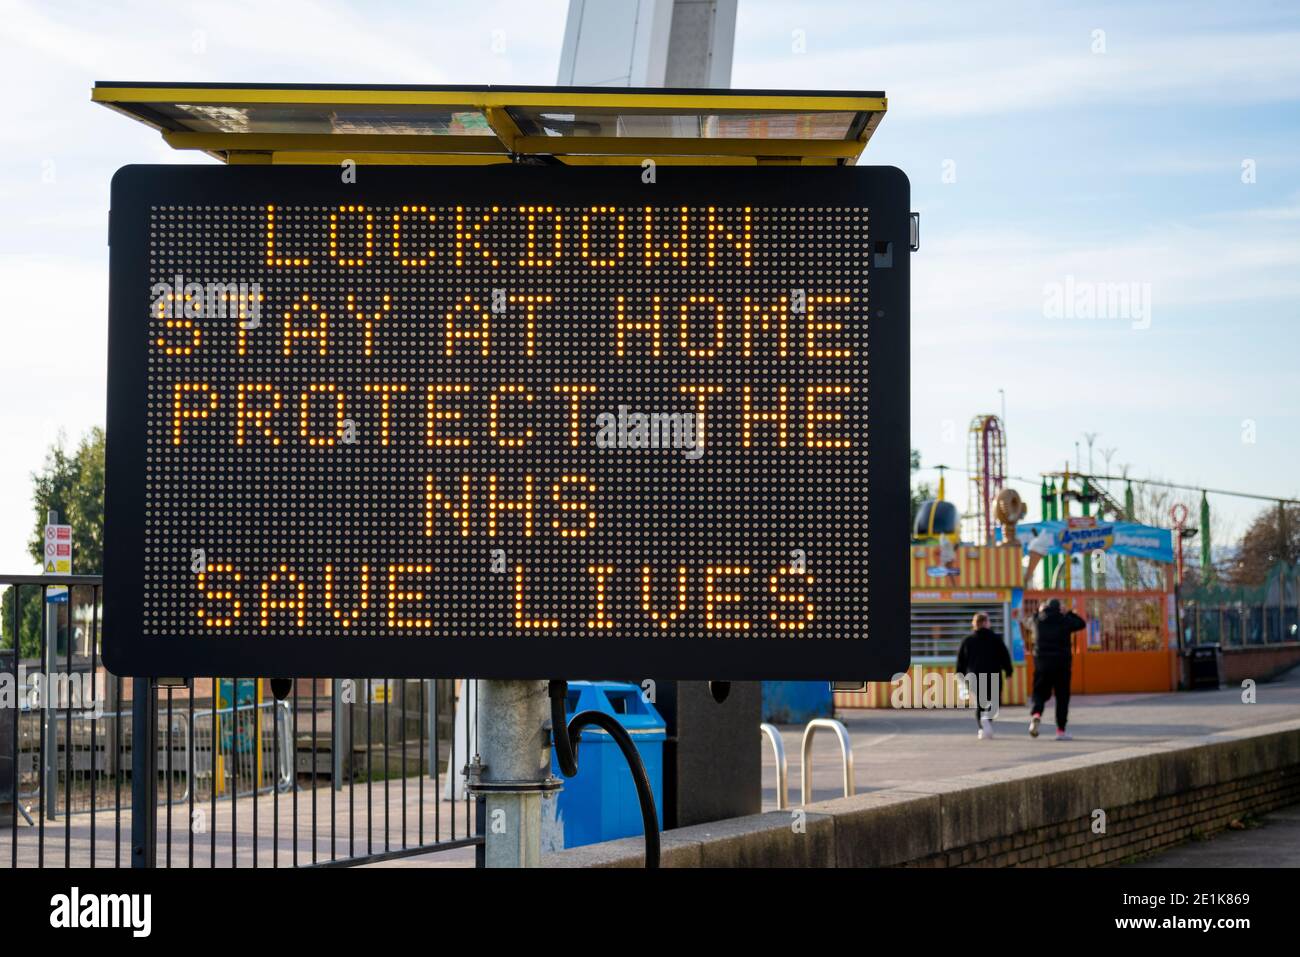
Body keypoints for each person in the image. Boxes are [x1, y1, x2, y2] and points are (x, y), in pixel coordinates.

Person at [1028, 598, 1086, 740]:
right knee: (1062, 697)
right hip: (1062, 664)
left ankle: (1036, 714)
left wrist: (1039, 611)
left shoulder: (1038, 620)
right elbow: (1082, 624)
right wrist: (1069, 612)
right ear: (1060, 608)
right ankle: (1060, 731)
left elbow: (1028, 621)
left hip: (1042, 663)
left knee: (1040, 692)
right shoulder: (1065, 620)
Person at [955, 612, 1014, 740]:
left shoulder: (967, 640)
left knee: (979, 703)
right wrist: (1009, 671)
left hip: (974, 676)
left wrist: (960, 676)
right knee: (994, 702)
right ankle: (987, 719)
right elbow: (1004, 656)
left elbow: (961, 661)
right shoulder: (995, 639)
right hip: (993, 675)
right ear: (986, 623)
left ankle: (982, 728)